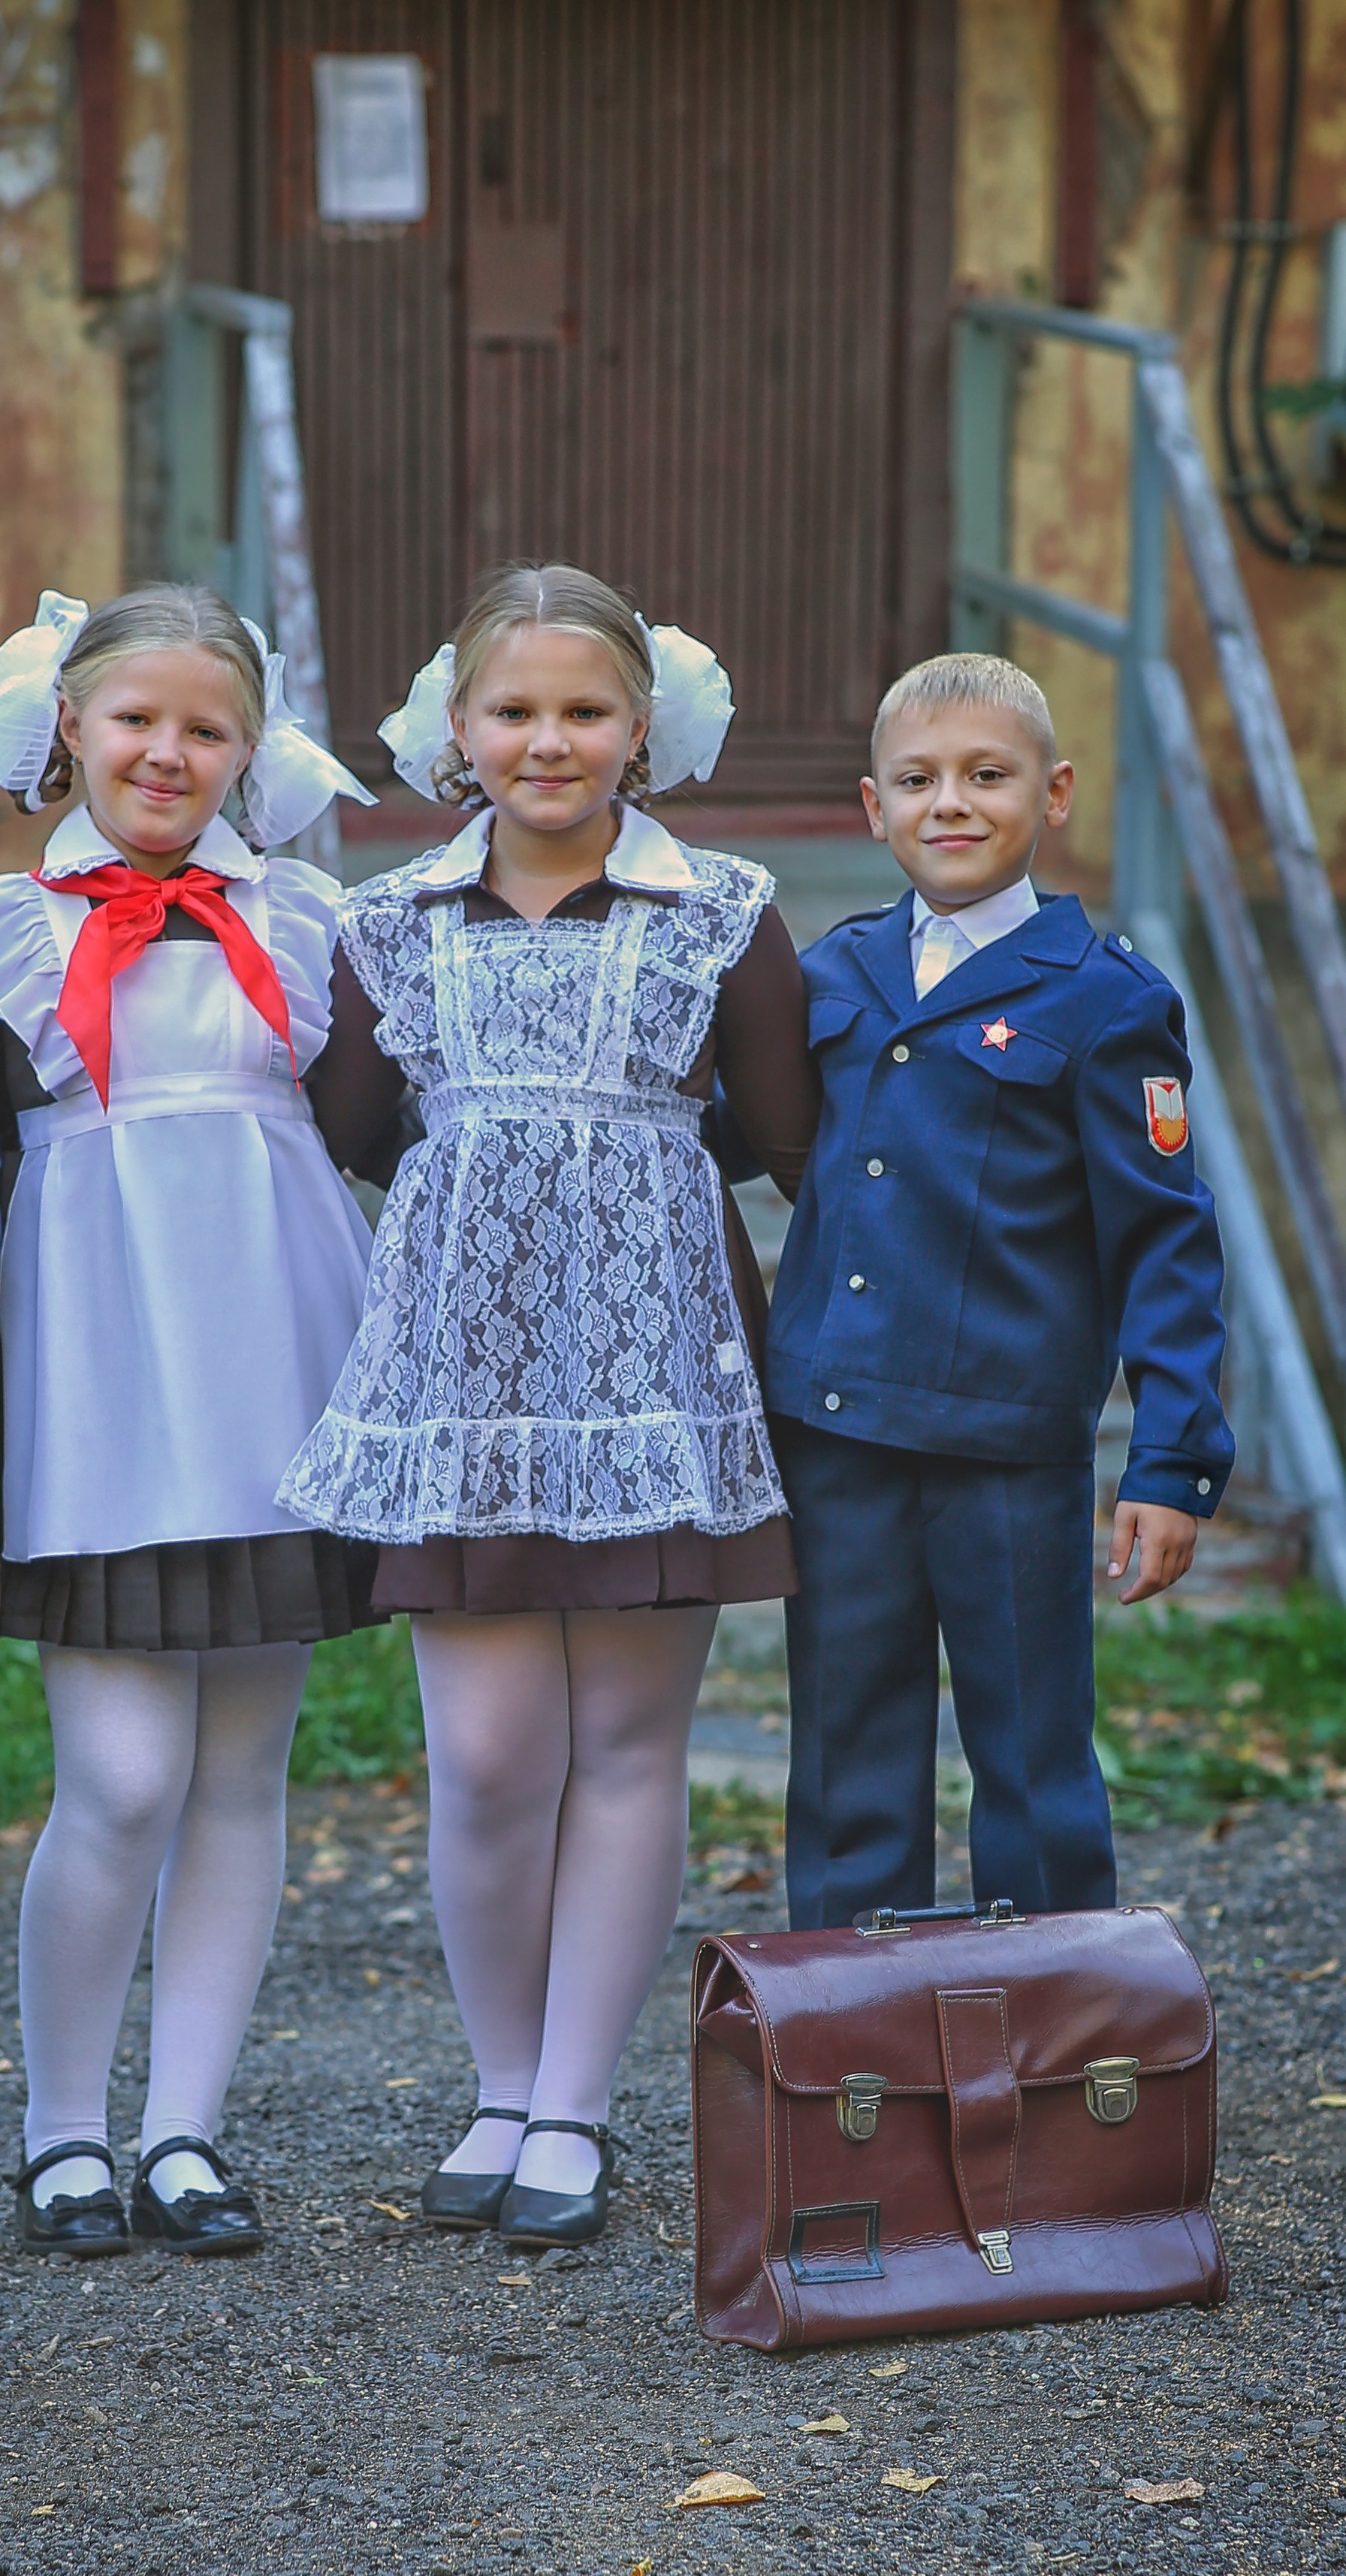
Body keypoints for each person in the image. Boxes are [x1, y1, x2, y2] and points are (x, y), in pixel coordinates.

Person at [284, 563, 819, 2249]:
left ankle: (574, 2103)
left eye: (585, 710)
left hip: (657, 1373)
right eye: (513, 710)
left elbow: (788, 1136)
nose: (549, 740)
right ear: (456, 728)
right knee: (490, 1755)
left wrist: (620, 1190)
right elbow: (351, 1132)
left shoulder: (718, 908)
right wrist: (501, 1196)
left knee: (632, 1747)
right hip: (469, 1384)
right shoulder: (389, 920)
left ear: (641, 728)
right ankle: (498, 2082)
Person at [0, 581, 383, 2261]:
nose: (167, 754)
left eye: (207, 729)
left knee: (241, 1776)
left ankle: (184, 2129)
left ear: (249, 750)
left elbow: (376, 1130)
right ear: (70, 726)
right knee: (122, 1782)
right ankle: (61, 2127)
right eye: (136, 720)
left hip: (277, 1366)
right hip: (100, 1383)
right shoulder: (1, 929)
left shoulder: (310, 919)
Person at [765, 650, 1233, 1933]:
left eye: (987, 775)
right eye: (918, 781)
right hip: (838, 1438)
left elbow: (1166, 1241)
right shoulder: (831, 974)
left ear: (1054, 792)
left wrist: (1172, 1460)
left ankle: (1053, 2034)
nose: (951, 804)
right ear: (875, 807)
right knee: (847, 1764)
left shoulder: (1106, 1001)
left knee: (1032, 1766)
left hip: (1008, 1453)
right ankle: (856, 2037)